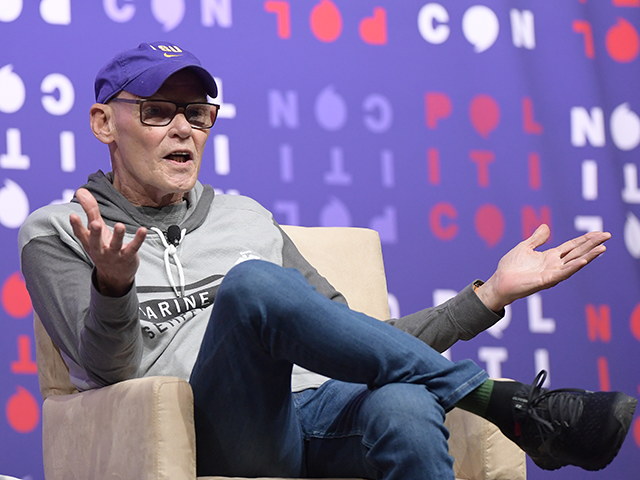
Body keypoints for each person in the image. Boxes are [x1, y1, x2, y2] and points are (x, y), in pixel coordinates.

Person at [19, 42, 637, 479]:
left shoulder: (249, 218)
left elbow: (365, 339)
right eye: (158, 112)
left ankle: (512, 410)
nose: (184, 130)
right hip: (208, 431)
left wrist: (490, 296)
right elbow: (105, 371)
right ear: (105, 122)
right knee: (254, 285)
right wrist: (112, 285)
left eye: (198, 114)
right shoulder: (59, 229)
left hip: (316, 413)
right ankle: (508, 404)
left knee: (404, 401)